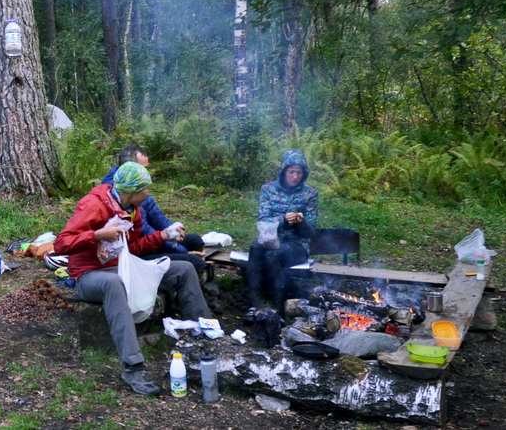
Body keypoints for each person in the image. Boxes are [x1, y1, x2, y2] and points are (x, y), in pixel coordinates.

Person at [55, 162, 213, 396]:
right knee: (113, 284)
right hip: (90, 276)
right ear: (131, 190)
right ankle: (133, 367)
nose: (148, 193)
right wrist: (97, 235)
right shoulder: (93, 204)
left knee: (183, 268)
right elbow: (61, 244)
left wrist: (162, 236)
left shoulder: (132, 210)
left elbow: (135, 248)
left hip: (124, 267)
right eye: (145, 189)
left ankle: (205, 337)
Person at [101, 145, 207, 274]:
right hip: (137, 250)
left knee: (195, 240)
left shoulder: (137, 184)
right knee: (192, 260)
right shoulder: (121, 194)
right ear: (131, 169)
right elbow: (145, 232)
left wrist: (174, 229)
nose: (148, 173)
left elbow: (156, 215)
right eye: (144, 169)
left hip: (152, 240)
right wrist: (182, 251)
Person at [246, 150, 318, 322]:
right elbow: (264, 220)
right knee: (255, 248)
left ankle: (278, 309)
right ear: (283, 171)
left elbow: (310, 232)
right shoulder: (268, 189)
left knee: (273, 255)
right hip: (270, 238)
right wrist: (283, 220)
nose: (295, 176)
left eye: (299, 172)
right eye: (291, 171)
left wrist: (301, 222)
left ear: (304, 174)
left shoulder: (310, 193)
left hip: (296, 244)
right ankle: (255, 305)